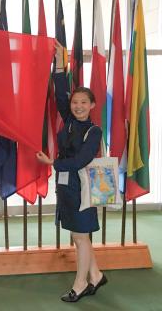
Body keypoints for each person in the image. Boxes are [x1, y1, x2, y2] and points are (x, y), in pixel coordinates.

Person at [36, 42, 108, 302]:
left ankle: (81, 284)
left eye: (83, 102)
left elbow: (80, 160)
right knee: (80, 235)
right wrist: (59, 62)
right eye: (75, 102)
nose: (77, 106)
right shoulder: (68, 121)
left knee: (80, 237)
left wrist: (51, 163)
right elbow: (60, 93)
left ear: (92, 105)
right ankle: (97, 275)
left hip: (82, 186)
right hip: (66, 186)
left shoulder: (94, 131)